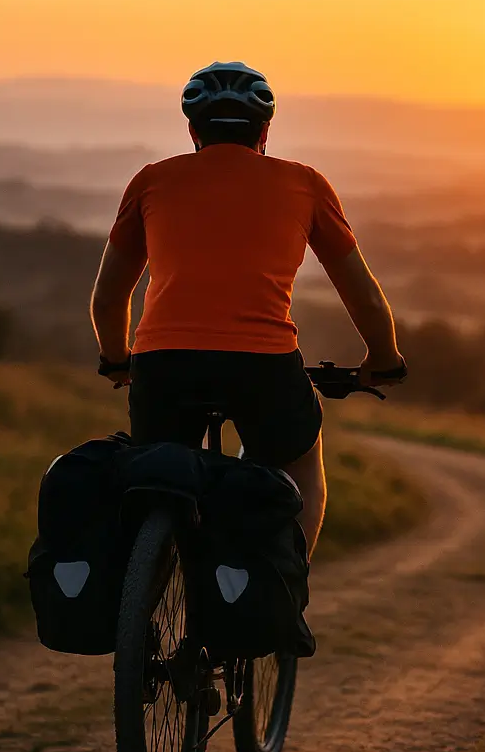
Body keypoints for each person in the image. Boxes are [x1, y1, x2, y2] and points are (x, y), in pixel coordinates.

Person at [89, 61, 405, 554]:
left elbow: (109, 297)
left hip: (164, 366)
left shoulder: (151, 181)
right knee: (301, 469)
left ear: (193, 129)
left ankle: (143, 600)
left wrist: (116, 359)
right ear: (265, 130)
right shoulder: (306, 185)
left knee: (158, 481)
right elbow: (360, 291)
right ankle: (287, 597)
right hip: (265, 367)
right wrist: (384, 360)